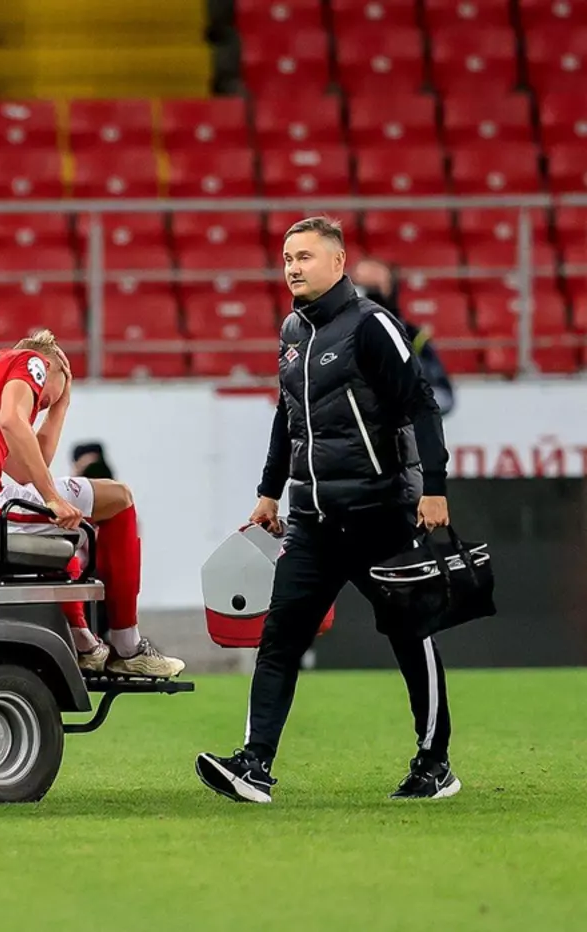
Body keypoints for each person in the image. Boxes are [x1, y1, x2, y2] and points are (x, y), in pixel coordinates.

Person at [196, 217, 458, 804]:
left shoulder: (372, 325)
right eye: (288, 257)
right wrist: (269, 492)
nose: (293, 267)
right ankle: (254, 764)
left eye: (305, 256)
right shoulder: (292, 330)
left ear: (338, 263)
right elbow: (286, 416)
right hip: (313, 520)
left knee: (410, 635)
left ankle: (434, 762)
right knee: (280, 639)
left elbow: (421, 404)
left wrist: (434, 487)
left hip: (381, 514)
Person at [0, 330, 184, 678]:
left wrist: (61, 406)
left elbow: (27, 467)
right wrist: (52, 498)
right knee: (119, 499)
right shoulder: (31, 361)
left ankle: (83, 643)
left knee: (56, 526)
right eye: (44, 400)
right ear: (54, 368)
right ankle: (128, 648)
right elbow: (12, 421)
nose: (40, 406)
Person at [350, 256, 455, 415]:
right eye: (361, 286)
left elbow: (444, 396)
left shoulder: (413, 336)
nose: (368, 296)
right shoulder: (331, 334)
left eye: (375, 288)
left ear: (391, 289)